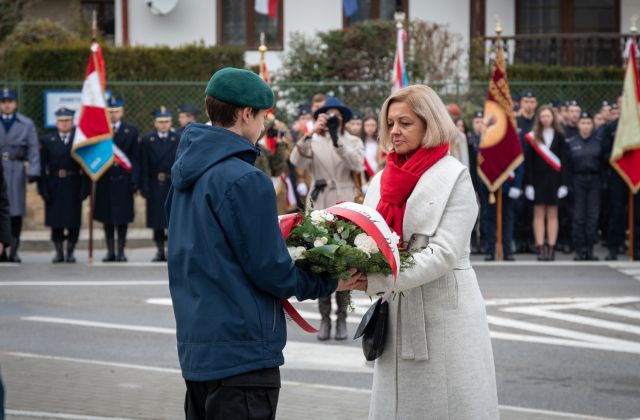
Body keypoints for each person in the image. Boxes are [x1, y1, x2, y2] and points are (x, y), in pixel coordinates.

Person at [165, 67, 357, 420]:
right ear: (244, 114)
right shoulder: (245, 178)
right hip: (242, 351)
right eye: (263, 115)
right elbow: (271, 270)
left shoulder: (186, 172)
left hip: (198, 348)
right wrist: (331, 280)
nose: (265, 125)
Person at [360, 84, 498, 419]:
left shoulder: (455, 176)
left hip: (445, 314)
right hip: (397, 310)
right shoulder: (381, 179)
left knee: (449, 405)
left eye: (404, 123)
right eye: (390, 123)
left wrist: (375, 276)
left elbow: (444, 253)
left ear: (430, 123)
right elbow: (364, 235)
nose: (394, 131)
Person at [290, 96, 364, 341]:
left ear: (343, 119)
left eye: (336, 116)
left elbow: (357, 164)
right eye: (327, 116)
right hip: (320, 201)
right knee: (321, 259)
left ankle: (342, 318)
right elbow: (295, 160)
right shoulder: (312, 139)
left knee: (343, 262)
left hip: (344, 200)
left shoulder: (351, 140)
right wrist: (312, 133)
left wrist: (336, 140)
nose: (332, 120)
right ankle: (324, 319)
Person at [38, 108, 88, 263]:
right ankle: (59, 252)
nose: (64, 124)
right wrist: (43, 189)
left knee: (73, 221)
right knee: (56, 221)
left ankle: (70, 251)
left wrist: (85, 189)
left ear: (72, 122)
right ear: (56, 123)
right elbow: (42, 167)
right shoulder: (47, 140)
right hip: (55, 185)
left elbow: (85, 166)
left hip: (73, 184)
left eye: (67, 121)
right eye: (61, 121)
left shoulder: (79, 140)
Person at [95, 96, 140, 262]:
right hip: (105, 181)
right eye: (110, 111)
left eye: (116, 111)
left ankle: (121, 251)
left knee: (122, 219)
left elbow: (136, 158)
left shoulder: (131, 130)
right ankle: (110, 252)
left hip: (124, 181)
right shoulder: (100, 131)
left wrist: (135, 180)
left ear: (122, 112)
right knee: (107, 219)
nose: (113, 114)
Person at [0, 87, 40, 263]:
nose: (7, 105)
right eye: (3, 102)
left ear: (15, 103)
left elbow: (33, 148)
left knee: (15, 211)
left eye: (10, 102)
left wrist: (33, 171)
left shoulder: (26, 123)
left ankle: (13, 249)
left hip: (16, 169)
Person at [524, 105, 568, 261]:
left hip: (555, 182)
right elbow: (528, 162)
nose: (546, 119)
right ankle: (540, 248)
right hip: (537, 181)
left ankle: (551, 248)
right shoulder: (532, 136)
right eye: (543, 116)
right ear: (539, 118)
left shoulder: (560, 136)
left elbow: (564, 162)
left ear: (553, 118)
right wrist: (528, 184)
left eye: (548, 116)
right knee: (538, 214)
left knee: (553, 214)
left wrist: (564, 184)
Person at [140, 106, 179, 262]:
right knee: (157, 221)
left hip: (172, 184)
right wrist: (144, 186)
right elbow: (143, 165)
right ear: (155, 123)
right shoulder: (147, 139)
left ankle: (171, 251)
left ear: (170, 122)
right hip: (155, 183)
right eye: (160, 122)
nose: (163, 125)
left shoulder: (177, 139)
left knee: (172, 221)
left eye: (166, 121)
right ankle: (159, 251)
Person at [566, 112, 603, 261]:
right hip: (578, 180)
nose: (586, 126)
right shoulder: (572, 142)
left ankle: (590, 249)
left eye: (588, 123)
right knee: (579, 216)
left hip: (595, 180)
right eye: (583, 123)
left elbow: (604, 163)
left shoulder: (599, 142)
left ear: (592, 125)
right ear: (579, 125)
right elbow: (567, 166)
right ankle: (579, 249)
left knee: (592, 216)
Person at [515, 89, 538, 254]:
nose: (529, 104)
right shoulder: (515, 122)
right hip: (517, 170)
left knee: (532, 208)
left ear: (535, 104)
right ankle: (518, 240)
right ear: (521, 103)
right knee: (518, 207)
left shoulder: (539, 123)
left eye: (532, 101)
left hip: (535, 172)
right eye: (526, 101)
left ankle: (530, 240)